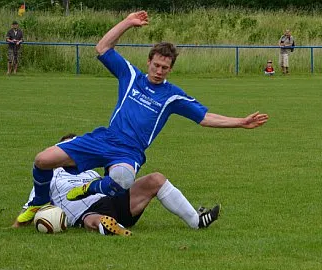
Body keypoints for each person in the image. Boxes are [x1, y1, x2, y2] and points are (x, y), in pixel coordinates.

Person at [16, 11, 268, 225]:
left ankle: (90, 189)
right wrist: (127, 22)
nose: (159, 71)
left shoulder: (172, 96)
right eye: (156, 65)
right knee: (42, 159)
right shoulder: (130, 76)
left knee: (123, 179)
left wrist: (241, 122)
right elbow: (102, 48)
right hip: (104, 138)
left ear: (171, 69)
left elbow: (204, 117)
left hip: (129, 152)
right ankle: (38, 203)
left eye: (165, 68)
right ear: (149, 62)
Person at [14, 134, 220, 236]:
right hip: (85, 211)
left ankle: (196, 221)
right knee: (91, 218)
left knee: (155, 179)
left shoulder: (89, 169)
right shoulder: (50, 173)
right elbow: (32, 204)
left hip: (114, 200)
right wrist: (17, 225)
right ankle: (111, 226)